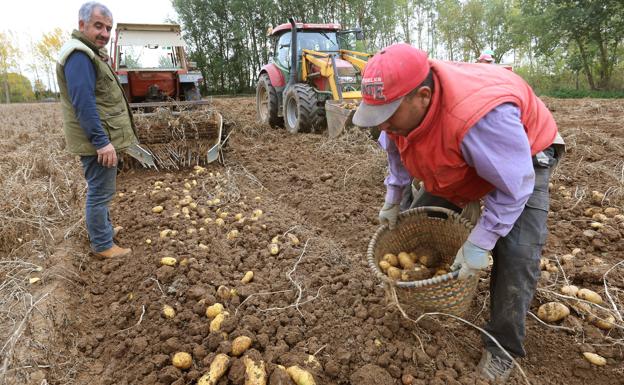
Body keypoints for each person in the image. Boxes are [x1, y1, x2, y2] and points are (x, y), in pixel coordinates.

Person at [353, 43, 564, 382]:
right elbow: (396, 151)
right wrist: (394, 197)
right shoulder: (396, 117)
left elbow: (516, 185)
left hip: (523, 156)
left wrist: (482, 241)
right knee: (421, 222)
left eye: (389, 115)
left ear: (422, 96)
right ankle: (430, 297)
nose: (385, 124)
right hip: (461, 156)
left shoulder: (479, 118)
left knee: (516, 254)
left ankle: (502, 349)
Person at [56, 2, 137, 258]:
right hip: (96, 140)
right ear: (82, 25)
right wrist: (101, 141)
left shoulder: (90, 53)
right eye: (98, 26)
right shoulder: (79, 55)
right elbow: (84, 102)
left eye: (108, 29)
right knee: (100, 191)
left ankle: (104, 229)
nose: (104, 33)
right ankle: (103, 245)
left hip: (99, 136)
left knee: (102, 188)